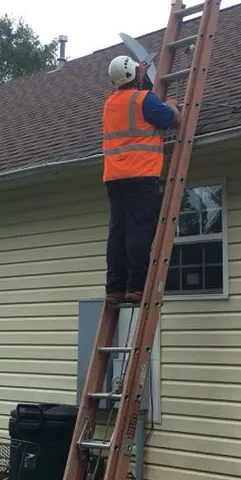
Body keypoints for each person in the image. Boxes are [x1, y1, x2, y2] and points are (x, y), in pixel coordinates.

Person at [102, 55, 181, 305]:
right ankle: (136, 286)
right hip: (141, 175)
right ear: (133, 76)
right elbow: (173, 120)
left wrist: (139, 75)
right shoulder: (145, 100)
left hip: (114, 178)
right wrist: (172, 104)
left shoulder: (110, 103)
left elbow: (134, 107)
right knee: (139, 230)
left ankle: (115, 287)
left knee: (118, 232)